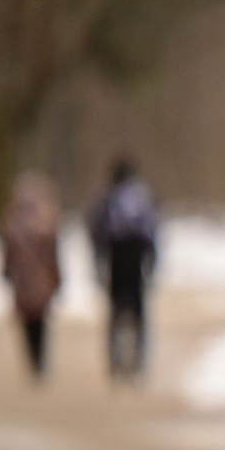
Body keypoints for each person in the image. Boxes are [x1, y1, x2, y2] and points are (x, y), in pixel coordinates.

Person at [86, 157, 157, 380]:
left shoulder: (107, 198)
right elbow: (152, 233)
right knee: (138, 314)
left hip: (116, 259)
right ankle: (138, 360)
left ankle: (115, 361)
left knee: (116, 313)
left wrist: (98, 261)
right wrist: (152, 262)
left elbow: (96, 233)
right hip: (136, 259)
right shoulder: (141, 198)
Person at [0, 171, 62, 379]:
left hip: (22, 281)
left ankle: (33, 360)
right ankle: (39, 358)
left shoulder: (12, 223)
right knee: (40, 321)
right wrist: (56, 276)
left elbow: (7, 253)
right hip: (41, 280)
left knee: (27, 322)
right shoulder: (45, 220)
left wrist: (6, 273)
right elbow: (53, 253)